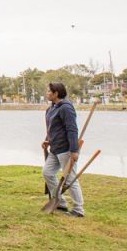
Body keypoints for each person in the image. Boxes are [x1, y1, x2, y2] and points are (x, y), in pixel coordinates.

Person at [43, 82, 85, 217]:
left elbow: (72, 129)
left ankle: (78, 210)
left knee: (70, 179)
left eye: (49, 91)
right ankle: (60, 202)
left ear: (56, 93)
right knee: (47, 173)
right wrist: (47, 140)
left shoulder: (66, 108)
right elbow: (52, 127)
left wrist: (74, 150)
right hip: (54, 149)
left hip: (66, 149)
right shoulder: (51, 108)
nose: (47, 93)